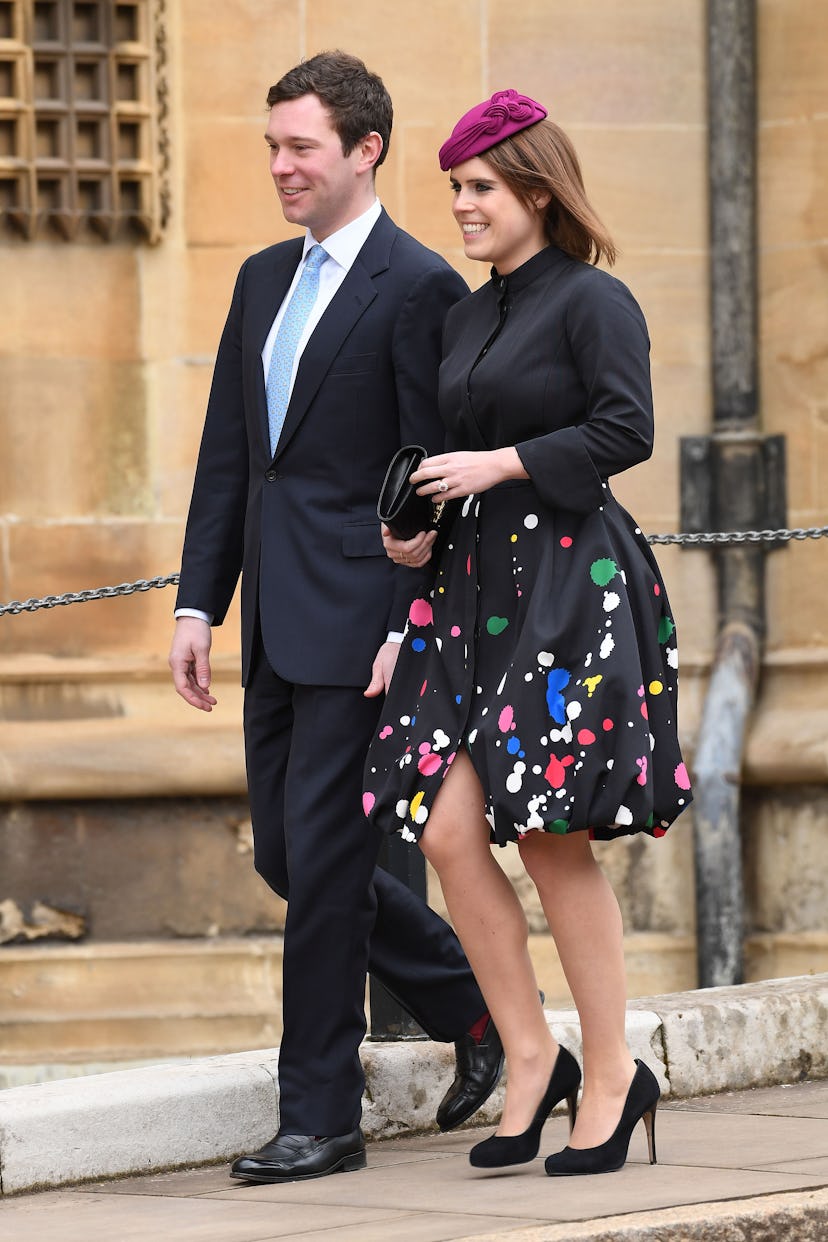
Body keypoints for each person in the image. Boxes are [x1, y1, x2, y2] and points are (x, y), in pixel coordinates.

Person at [168, 52, 506, 1185]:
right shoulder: (262, 279)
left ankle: (321, 1117)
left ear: (365, 150)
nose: (280, 166)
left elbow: (439, 481)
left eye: (300, 146)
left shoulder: (421, 291)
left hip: (367, 631)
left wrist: (413, 621)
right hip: (272, 622)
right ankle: (483, 1010)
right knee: (287, 854)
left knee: (321, 872)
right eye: (272, 146)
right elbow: (233, 458)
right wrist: (194, 605)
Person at [364, 89, 693, 1177]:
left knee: (552, 840)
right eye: (456, 188)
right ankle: (529, 1056)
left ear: (537, 194)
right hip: (464, 596)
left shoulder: (593, 302)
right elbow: (445, 466)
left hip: (568, 587)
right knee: (449, 832)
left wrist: (502, 464)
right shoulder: (467, 317)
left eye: (480, 189)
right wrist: (416, 554)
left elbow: (626, 426)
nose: (461, 206)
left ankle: (610, 1074)